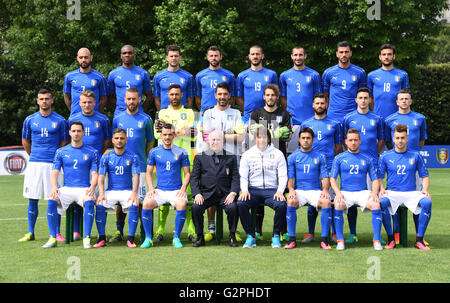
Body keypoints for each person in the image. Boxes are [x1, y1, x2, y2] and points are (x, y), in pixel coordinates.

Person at [196, 82, 245, 241]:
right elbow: (207, 136)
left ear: (229, 96)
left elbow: (241, 137)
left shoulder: (236, 113)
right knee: (211, 187)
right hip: (212, 155)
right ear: (215, 95)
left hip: (232, 157)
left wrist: (220, 136)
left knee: (232, 190)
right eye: (220, 94)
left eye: (225, 94)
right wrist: (228, 135)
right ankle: (211, 228)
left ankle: (234, 230)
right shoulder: (208, 113)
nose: (222, 97)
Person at [19, 89, 69, 243]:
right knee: (32, 198)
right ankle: (30, 232)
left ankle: (56, 233)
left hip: (52, 166)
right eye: (41, 99)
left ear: (52, 101)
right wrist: (34, 155)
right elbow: (25, 141)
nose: (44, 101)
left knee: (54, 199)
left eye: (47, 99)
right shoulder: (30, 120)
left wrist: (53, 157)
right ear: (37, 101)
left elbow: (64, 142)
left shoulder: (60, 121)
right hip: (34, 164)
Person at [152, 84, 197, 243]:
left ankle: (191, 230)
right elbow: (157, 132)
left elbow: (193, 134)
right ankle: (160, 230)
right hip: (166, 160)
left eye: (177, 94)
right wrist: (180, 130)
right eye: (172, 94)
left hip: (184, 158)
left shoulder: (189, 113)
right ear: (168, 95)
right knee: (163, 195)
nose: (174, 97)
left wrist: (175, 130)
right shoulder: (162, 113)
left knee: (188, 195)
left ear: (181, 95)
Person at [44, 121, 99, 248]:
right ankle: (52, 238)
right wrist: (54, 187)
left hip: (84, 188)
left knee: (90, 201)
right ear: (69, 133)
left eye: (79, 131)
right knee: (52, 199)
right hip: (67, 188)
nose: (76, 133)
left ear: (83, 133)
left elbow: (95, 174)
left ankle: (87, 238)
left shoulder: (92, 152)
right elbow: (54, 173)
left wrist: (92, 187)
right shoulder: (61, 152)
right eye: (73, 131)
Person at [378, 124, 432, 251]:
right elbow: (379, 177)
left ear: (407, 138)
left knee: (427, 202)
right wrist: (381, 189)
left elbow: (425, 175)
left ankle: (419, 240)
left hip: (411, 192)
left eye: (402, 138)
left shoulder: (416, 155)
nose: (400, 140)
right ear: (393, 139)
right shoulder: (385, 156)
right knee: (382, 202)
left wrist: (425, 190)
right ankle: (391, 239)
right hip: (392, 192)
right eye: (397, 138)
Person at [384, 88, 428, 244]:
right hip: (396, 161)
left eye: (406, 98)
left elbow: (422, 140)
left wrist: (412, 154)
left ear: (410, 101)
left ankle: (419, 235)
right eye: (401, 99)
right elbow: (388, 142)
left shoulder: (420, 118)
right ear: (397, 102)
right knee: (393, 199)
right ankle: (396, 235)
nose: (403, 101)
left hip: (413, 162)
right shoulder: (389, 120)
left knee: (418, 199)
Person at [248, 83, 291, 241]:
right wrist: (274, 133)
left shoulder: (284, 114)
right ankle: (257, 230)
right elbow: (253, 137)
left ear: (277, 97)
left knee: (281, 195)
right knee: (258, 191)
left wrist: (278, 133)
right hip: (259, 158)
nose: (270, 98)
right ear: (264, 97)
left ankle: (283, 230)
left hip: (278, 158)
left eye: (273, 95)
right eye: (267, 95)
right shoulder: (256, 113)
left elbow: (288, 136)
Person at [111, 88, 154, 242]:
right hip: (120, 167)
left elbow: (150, 141)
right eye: (128, 99)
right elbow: (115, 140)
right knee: (119, 199)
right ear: (124, 100)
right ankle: (119, 231)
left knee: (141, 200)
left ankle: (145, 233)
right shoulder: (118, 118)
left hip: (140, 167)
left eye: (134, 99)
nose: (131, 102)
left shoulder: (146, 119)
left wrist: (144, 157)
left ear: (139, 100)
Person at [299, 93, 343, 243]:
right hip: (311, 169)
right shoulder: (306, 124)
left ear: (327, 105)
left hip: (329, 168)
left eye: (322, 103)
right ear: (313, 105)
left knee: (329, 200)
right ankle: (311, 233)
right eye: (317, 103)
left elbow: (338, 147)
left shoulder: (335, 124)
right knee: (313, 200)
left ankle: (335, 233)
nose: (319, 106)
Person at [342, 87, 384, 244]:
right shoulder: (348, 118)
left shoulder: (377, 119)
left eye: (366, 98)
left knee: (377, 199)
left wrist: (372, 156)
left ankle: (379, 236)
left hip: (371, 164)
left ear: (370, 100)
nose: (364, 100)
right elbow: (345, 141)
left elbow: (380, 140)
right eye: (361, 98)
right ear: (356, 100)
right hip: (354, 164)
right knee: (351, 198)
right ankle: (353, 233)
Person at [68, 89, 112, 240]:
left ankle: (101, 233)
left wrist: (96, 155)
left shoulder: (103, 119)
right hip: (79, 166)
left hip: (97, 165)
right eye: (84, 102)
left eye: (89, 102)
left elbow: (107, 140)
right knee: (78, 197)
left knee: (100, 199)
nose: (87, 105)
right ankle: (76, 231)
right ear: (79, 103)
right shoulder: (73, 118)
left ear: (95, 103)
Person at [330, 128, 384, 250]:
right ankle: (340, 241)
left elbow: (375, 179)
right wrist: (337, 193)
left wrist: (375, 193)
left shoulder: (367, 158)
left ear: (360, 141)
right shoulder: (339, 158)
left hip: (362, 192)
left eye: (355, 140)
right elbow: (332, 179)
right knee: (337, 204)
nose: (353, 142)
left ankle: (376, 241)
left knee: (376, 204)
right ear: (346, 142)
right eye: (350, 140)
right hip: (345, 192)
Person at [140, 124, 191, 248]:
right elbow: (148, 173)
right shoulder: (154, 152)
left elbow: (187, 173)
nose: (167, 137)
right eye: (164, 135)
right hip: (160, 190)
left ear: (174, 135)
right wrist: (151, 188)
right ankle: (148, 238)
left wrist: (183, 189)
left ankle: (176, 237)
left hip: (176, 190)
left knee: (182, 204)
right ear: (161, 136)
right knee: (146, 203)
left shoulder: (181, 152)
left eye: (169, 135)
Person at [237, 126, 287, 249]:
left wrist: (280, 191)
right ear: (255, 139)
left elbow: (283, 175)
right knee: (241, 204)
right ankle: (250, 236)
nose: (262, 140)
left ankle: (275, 236)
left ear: (269, 139)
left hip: (271, 190)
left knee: (281, 205)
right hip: (253, 190)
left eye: (265, 137)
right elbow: (243, 176)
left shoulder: (278, 154)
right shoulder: (248, 154)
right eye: (259, 137)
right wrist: (244, 190)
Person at [285, 127, 333, 250]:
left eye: (308, 138)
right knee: (290, 201)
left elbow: (325, 177)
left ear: (313, 140)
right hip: (299, 190)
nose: (305, 140)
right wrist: (291, 190)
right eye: (303, 138)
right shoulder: (292, 157)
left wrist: (325, 191)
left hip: (315, 191)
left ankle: (324, 240)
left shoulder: (320, 157)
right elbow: (290, 179)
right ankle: (292, 240)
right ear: (299, 140)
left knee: (327, 201)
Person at [190, 130, 240, 247]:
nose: (215, 142)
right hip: (206, 195)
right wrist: (197, 193)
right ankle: (200, 237)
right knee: (196, 207)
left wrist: (233, 193)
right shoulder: (200, 157)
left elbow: (236, 177)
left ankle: (232, 236)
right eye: (213, 139)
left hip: (225, 195)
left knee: (233, 208)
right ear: (208, 141)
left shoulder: (231, 157)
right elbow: (194, 178)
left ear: (223, 142)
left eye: (218, 140)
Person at [94, 128, 140, 248]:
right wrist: (101, 193)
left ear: (126, 140)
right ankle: (101, 238)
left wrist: (134, 193)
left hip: (127, 190)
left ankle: (130, 239)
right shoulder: (106, 157)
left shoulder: (133, 157)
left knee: (134, 204)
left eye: (122, 138)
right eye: (117, 138)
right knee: (100, 205)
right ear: (113, 140)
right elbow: (101, 177)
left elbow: (136, 176)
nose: (119, 140)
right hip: (111, 191)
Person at [322, 41, 367, 123]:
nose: (344, 55)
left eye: (346, 52)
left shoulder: (360, 72)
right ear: (337, 54)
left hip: (353, 114)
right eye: (341, 52)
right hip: (333, 115)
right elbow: (325, 95)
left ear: (351, 53)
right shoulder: (328, 73)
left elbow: (363, 95)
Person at [279, 46, 321, 126]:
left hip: (311, 120)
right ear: (292, 56)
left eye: (300, 55)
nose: (298, 58)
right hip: (292, 121)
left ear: (305, 56)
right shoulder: (284, 75)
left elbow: (318, 98)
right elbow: (283, 98)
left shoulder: (314, 75)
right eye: (295, 55)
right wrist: (288, 113)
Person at [107, 45, 152, 117]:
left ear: (134, 55)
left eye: (130, 53)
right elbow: (110, 97)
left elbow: (149, 96)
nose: (127, 55)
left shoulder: (143, 73)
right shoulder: (113, 74)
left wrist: (141, 109)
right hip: (120, 114)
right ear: (121, 56)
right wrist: (119, 109)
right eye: (124, 53)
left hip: (138, 114)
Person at [236, 45, 278, 123]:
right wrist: (247, 110)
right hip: (249, 117)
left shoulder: (271, 74)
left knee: (270, 135)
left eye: (257, 54)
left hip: (269, 116)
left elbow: (276, 95)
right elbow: (239, 98)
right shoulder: (242, 76)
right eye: (252, 54)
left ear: (262, 56)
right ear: (249, 56)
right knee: (251, 135)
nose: (255, 56)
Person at [367, 43, 410, 120]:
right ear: (380, 57)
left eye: (389, 54)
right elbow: (369, 98)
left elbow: (406, 97)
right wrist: (375, 112)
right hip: (378, 118)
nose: (386, 57)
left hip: (398, 117)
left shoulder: (402, 75)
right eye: (384, 54)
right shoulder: (371, 75)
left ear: (394, 56)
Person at [63, 48, 108, 116]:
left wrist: (97, 113)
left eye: (86, 57)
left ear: (91, 58)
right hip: (75, 117)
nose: (83, 60)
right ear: (77, 58)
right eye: (81, 57)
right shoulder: (69, 76)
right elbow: (66, 96)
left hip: (93, 117)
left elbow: (104, 99)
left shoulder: (100, 77)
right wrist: (73, 111)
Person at [153, 45, 195, 110]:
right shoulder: (158, 76)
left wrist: (186, 113)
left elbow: (190, 99)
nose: (173, 58)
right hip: (165, 114)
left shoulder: (188, 77)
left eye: (176, 56)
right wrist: (160, 112)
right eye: (171, 56)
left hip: (182, 115)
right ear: (167, 58)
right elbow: (156, 98)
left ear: (180, 57)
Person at [195, 45, 236, 112]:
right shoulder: (200, 75)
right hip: (206, 113)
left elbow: (232, 98)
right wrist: (205, 111)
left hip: (224, 113)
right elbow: (197, 98)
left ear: (221, 57)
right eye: (211, 56)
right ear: (208, 58)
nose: (213, 58)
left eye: (216, 56)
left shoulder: (229, 75)